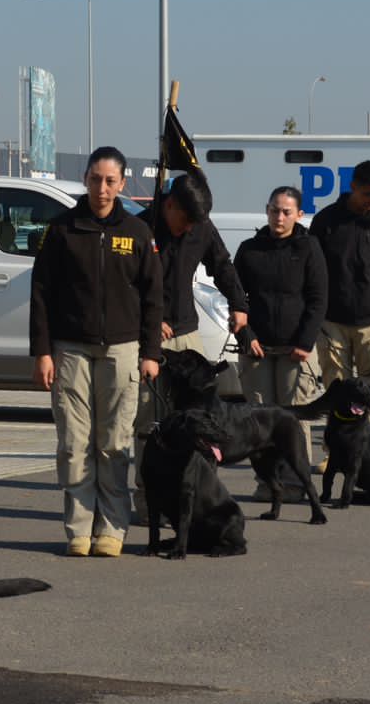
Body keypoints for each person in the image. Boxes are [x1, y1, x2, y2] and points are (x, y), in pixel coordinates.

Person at [30, 146, 163, 557]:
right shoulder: (63, 229)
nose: (101, 189)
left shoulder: (138, 232)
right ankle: (79, 529)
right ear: (85, 180)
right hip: (70, 350)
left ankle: (112, 529)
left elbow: (153, 297)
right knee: (74, 443)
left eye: (110, 181)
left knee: (114, 443)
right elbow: (41, 294)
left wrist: (151, 352)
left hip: (122, 351)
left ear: (123, 184)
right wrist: (43, 351)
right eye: (94, 179)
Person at [132, 171, 248, 515]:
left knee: (194, 422)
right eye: (183, 222)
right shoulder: (140, 229)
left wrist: (239, 304)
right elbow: (125, 289)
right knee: (149, 424)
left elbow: (223, 266)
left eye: (194, 225)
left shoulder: (202, 228)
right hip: (149, 341)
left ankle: (189, 498)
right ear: (169, 205)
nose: (187, 230)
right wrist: (151, 324)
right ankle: (147, 500)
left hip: (188, 339)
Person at [307, 160, 370, 438]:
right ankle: (336, 450)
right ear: (352, 186)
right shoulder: (326, 220)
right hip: (332, 321)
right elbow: (311, 268)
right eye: (367, 193)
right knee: (336, 388)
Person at [233, 185, 327, 475]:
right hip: (258, 350)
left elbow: (318, 297)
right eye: (274, 210)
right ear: (267, 210)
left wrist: (305, 341)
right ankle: (268, 483)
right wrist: (246, 336)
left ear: (299, 214)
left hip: (295, 351)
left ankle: (296, 483)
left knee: (293, 418)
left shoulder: (309, 247)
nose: (279, 217)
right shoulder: (250, 249)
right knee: (258, 421)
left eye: (286, 212)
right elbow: (236, 298)